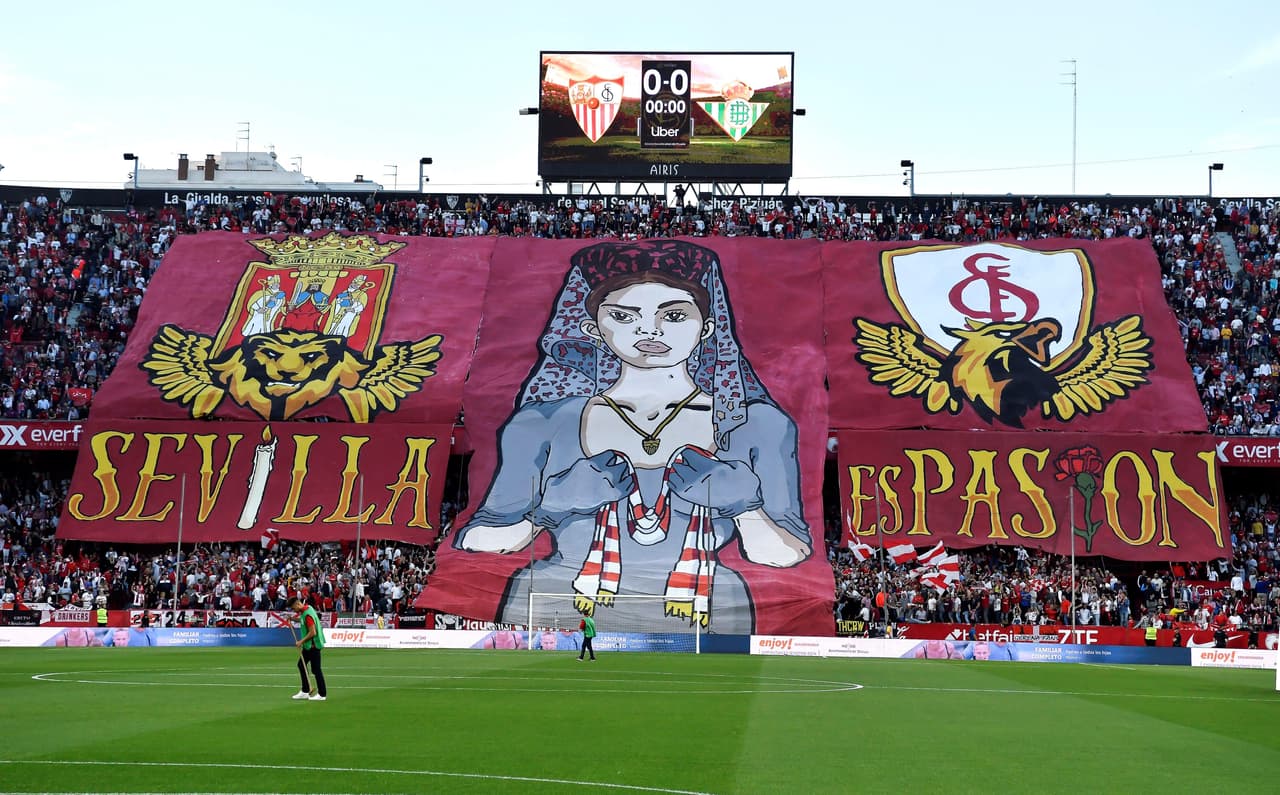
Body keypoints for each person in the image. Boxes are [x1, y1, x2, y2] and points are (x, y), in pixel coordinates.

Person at [455, 240, 812, 634]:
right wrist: (550, 507)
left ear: (706, 327)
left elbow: (784, 554)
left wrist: (746, 507)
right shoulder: (542, 423)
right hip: (555, 605)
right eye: (624, 316)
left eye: (674, 315)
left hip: (707, 611)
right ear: (592, 329)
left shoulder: (755, 423)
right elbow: (479, 540)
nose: (650, 330)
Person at [290, 596, 327, 701]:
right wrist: (293, 619)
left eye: (293, 608)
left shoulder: (307, 615)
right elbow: (302, 620)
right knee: (301, 665)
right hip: (308, 646)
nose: (294, 611)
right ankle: (305, 691)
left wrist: (300, 641)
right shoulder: (307, 609)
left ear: (297, 604)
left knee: (316, 669)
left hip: (313, 645)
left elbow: (312, 632)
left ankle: (322, 694)